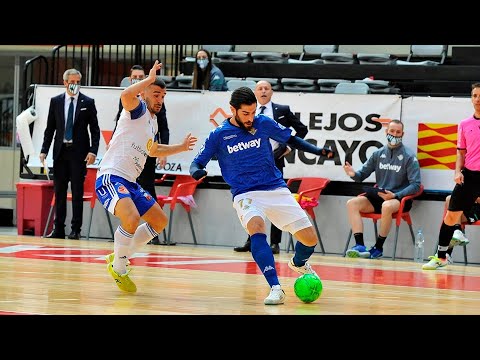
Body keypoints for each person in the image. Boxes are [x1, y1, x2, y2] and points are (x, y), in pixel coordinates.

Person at [189, 86, 334, 305]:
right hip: (245, 193)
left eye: (253, 112)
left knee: (310, 239)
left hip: (275, 188)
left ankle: (298, 262)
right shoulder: (219, 135)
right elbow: (196, 162)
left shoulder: (263, 123)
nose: (250, 118)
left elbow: (291, 139)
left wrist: (318, 151)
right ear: (233, 110)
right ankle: (276, 287)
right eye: (245, 113)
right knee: (256, 228)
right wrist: (197, 172)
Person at [96, 60, 198, 293]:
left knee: (159, 221)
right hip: (111, 177)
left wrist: (180, 147)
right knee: (131, 218)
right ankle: (120, 268)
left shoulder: (152, 122)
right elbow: (125, 94)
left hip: (130, 182)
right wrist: (149, 79)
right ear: (144, 93)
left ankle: (120, 255)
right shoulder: (136, 108)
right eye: (156, 94)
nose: (160, 99)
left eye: (163, 96)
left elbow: (153, 150)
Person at [234, 80, 308, 255]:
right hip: (253, 162)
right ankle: (251, 240)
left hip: (275, 159)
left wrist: (289, 147)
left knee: (277, 201)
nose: (263, 91)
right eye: (260, 88)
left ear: (272, 92)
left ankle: (275, 243)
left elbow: (301, 130)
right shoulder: (248, 113)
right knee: (251, 199)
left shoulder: (282, 110)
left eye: (267, 88)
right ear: (255, 93)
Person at [343, 119, 421, 259]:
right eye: (392, 131)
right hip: (379, 196)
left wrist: (395, 195)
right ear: (386, 132)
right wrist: (353, 174)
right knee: (352, 203)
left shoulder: (409, 156)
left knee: (386, 205)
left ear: (402, 134)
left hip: (399, 199)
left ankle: (378, 247)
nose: (394, 135)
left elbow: (416, 185)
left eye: (398, 132)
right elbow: (361, 175)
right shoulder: (377, 154)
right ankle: (360, 246)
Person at [423, 82, 480, 270]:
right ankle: (441, 257)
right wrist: (457, 172)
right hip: (470, 176)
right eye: (475, 96)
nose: (478, 100)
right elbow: (460, 153)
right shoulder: (464, 124)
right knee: (450, 216)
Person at [112, 64, 170, 245]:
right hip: (120, 167)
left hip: (144, 155)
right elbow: (121, 120)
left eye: (162, 96)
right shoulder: (134, 104)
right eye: (135, 77)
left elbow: (162, 130)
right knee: (130, 214)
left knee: (148, 189)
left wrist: (170, 150)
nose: (160, 99)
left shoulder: (155, 112)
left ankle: (151, 233)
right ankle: (121, 253)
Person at [40, 68, 100, 240]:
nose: (74, 85)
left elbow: (95, 130)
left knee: (76, 192)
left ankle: (76, 229)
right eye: (71, 82)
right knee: (59, 192)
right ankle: (58, 229)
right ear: (65, 82)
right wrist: (44, 150)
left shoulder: (87, 102)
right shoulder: (56, 101)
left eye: (77, 82)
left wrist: (93, 151)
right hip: (60, 152)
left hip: (78, 153)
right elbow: (50, 128)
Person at [438, 194, 477, 264]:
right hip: (467, 206)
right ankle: (457, 231)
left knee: (455, 213)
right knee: (450, 199)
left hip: (477, 208)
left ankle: (447, 254)